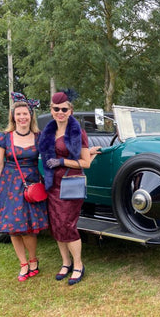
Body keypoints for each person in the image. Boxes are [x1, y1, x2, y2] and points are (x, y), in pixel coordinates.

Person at [39, 91, 101, 285]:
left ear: (70, 111)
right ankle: (65, 263)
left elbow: (85, 163)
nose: (60, 112)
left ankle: (78, 265)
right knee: (56, 224)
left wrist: (62, 161)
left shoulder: (78, 132)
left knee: (67, 224)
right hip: (52, 184)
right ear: (51, 110)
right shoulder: (48, 132)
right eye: (56, 109)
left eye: (64, 109)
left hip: (70, 183)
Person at [0, 92, 49, 282]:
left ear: (31, 116)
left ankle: (33, 260)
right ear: (13, 117)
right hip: (9, 186)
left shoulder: (39, 137)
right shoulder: (4, 137)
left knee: (29, 228)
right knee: (14, 227)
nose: (22, 117)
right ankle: (23, 264)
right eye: (19, 114)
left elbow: (47, 161)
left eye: (26, 114)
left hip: (31, 186)